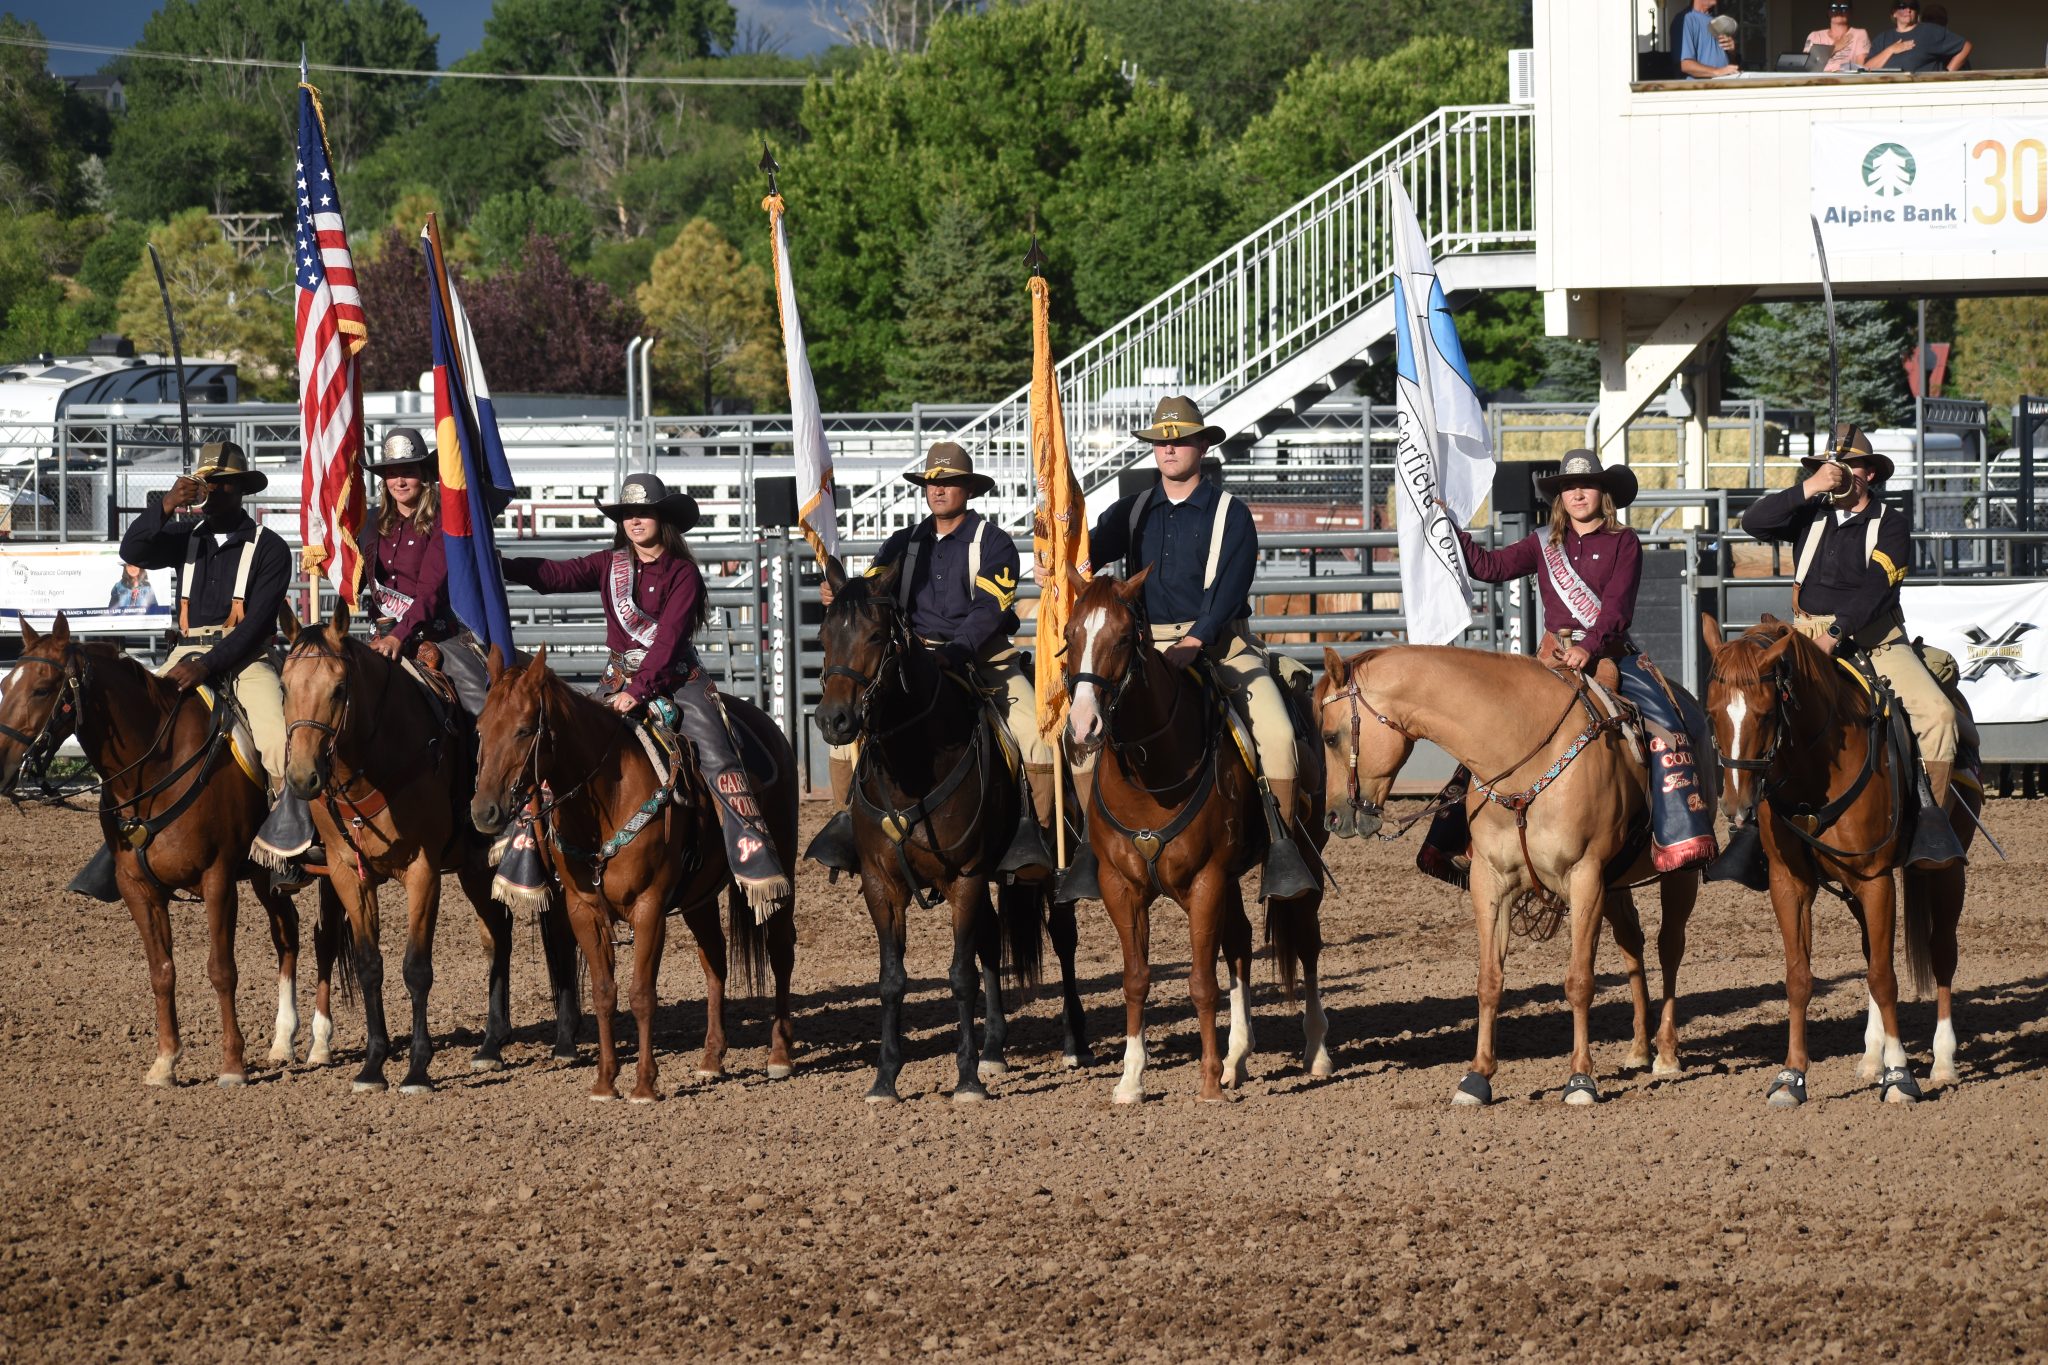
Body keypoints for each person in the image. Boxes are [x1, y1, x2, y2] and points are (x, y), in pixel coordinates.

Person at [1055, 394, 1316, 902]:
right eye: (1160, 442)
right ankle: (1092, 845)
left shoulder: (1230, 515)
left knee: (1279, 735)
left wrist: (1197, 637)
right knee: (1083, 735)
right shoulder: (1132, 512)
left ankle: (1282, 850)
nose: (1169, 450)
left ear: (1201, 445)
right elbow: (1084, 554)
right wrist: (1054, 556)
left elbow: (1231, 587)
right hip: (1139, 651)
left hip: (1221, 645)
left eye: (1179, 441)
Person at [500, 472, 791, 913]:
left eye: (645, 513)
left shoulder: (684, 574)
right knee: (557, 746)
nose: (635, 521)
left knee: (718, 754)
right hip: (617, 680)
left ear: (662, 519)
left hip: (677, 681)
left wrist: (638, 691)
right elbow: (553, 575)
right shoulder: (610, 564)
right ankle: (526, 857)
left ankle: (750, 854)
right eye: (628, 514)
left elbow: (670, 638)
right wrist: (497, 563)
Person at [1440, 449, 1717, 874]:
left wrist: (1589, 645)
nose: (1577, 494)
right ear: (1560, 497)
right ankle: (1457, 836)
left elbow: (1617, 608)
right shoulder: (1541, 543)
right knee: (1491, 728)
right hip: (1551, 657)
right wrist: (1454, 530)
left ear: (1602, 493)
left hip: (1607, 655)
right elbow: (1489, 568)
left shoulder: (1624, 541)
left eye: (1585, 485)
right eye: (1569, 487)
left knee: (1671, 724)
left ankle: (1680, 834)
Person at [806, 442, 1054, 880]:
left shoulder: (993, 543)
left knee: (1035, 735)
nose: (939, 490)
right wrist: (840, 595)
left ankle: (1032, 836)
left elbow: (989, 610)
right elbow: (870, 594)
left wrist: (955, 652)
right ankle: (849, 823)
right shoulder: (902, 543)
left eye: (949, 482)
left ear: (968, 489)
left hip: (984, 659)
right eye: (932, 483)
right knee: (848, 734)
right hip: (908, 662)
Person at [252, 427, 490, 879]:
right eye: (393, 473)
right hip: (379, 641)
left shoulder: (444, 525)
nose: (401, 480)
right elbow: (352, 578)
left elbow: (429, 592)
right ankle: (298, 829)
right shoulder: (371, 528)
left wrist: (400, 635)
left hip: (438, 640)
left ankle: (489, 822)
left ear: (425, 475)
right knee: (317, 709)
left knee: (485, 711)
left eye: (410, 472)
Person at [71, 443, 295, 900]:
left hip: (245, 659)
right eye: (203, 483)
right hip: (183, 655)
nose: (208, 492)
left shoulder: (269, 548)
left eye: (217, 484)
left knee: (276, 740)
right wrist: (166, 505)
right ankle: (117, 844)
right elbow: (131, 548)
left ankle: (287, 843)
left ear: (236, 489)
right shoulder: (186, 534)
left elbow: (256, 626)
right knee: (131, 729)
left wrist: (208, 665)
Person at [1738, 423, 1965, 868]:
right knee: (1748, 699)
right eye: (1830, 464)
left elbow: (1877, 591)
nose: (1838, 472)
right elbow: (1752, 521)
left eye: (1848, 465)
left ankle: (1928, 826)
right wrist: (1810, 487)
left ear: (1870, 474)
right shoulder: (1810, 513)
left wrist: (1835, 635)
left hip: (1874, 638)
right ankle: (1749, 827)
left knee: (1938, 717)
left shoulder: (1892, 523)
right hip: (1801, 633)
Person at [1865, 0, 1970, 72]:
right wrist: (1891, 50)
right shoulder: (1882, 38)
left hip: (1924, 98)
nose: (1908, 9)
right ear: (1894, 13)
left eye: (1913, 6)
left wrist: (1946, 74)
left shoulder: (1930, 31)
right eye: (1903, 6)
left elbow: (1966, 46)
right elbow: (1867, 69)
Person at [1678, 0, 1739, 78]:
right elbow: (1686, 65)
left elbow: (1728, 63)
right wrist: (1718, 71)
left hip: (1723, 85)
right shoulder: (1685, 19)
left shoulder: (1716, 20)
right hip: (1703, 88)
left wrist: (1731, 51)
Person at [1805, 1, 1872, 70]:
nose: (1839, 10)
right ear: (1828, 12)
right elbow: (1808, 66)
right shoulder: (1814, 36)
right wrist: (1834, 48)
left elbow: (1861, 67)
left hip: (1848, 79)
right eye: (1834, 7)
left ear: (1850, 12)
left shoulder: (1859, 34)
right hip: (1819, 79)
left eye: (1844, 7)